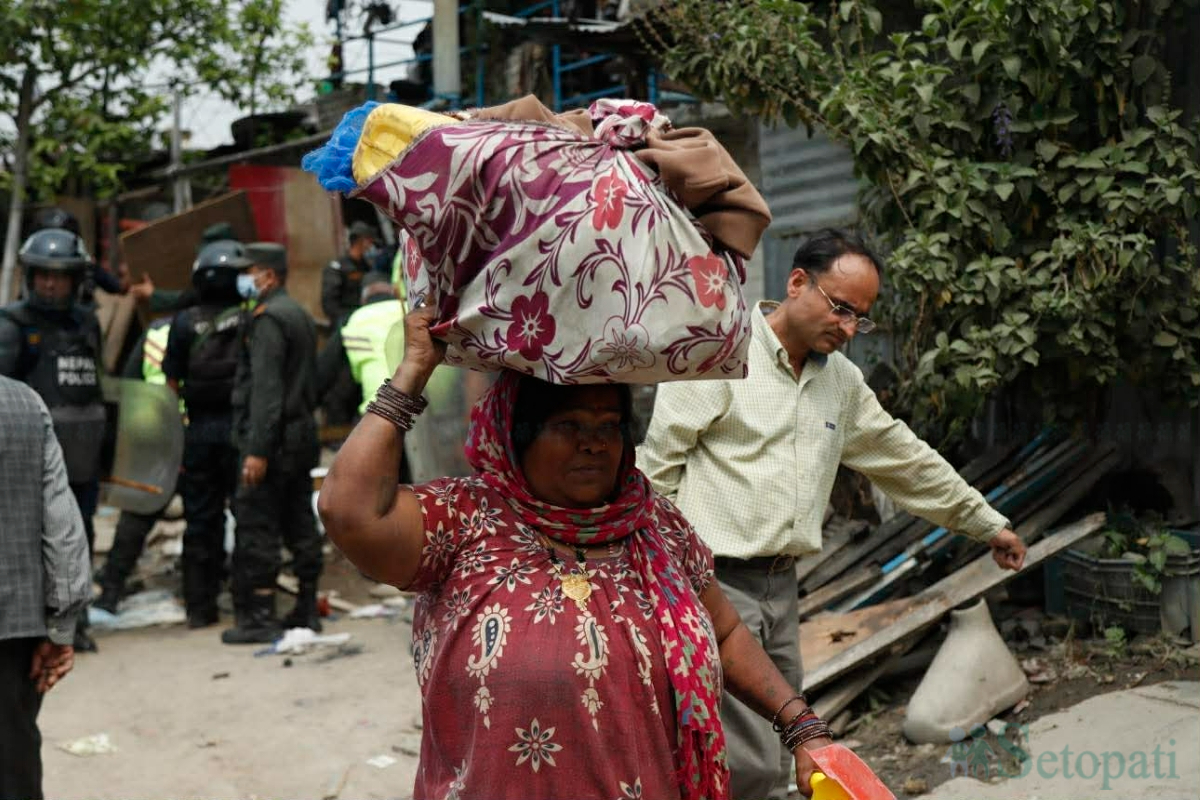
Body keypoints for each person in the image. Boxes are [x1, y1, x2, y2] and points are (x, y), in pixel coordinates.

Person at [316, 306, 847, 800]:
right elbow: (347, 510)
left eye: (607, 427)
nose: (593, 443)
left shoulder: (656, 528)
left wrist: (802, 728)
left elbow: (726, 631)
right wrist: (413, 371)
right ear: (517, 435)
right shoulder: (465, 518)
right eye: (569, 426)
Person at [637, 227, 1028, 800]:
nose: (848, 329)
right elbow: (658, 470)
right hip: (713, 583)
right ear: (797, 283)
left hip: (781, 586)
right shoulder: (721, 353)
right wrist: (663, 581)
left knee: (785, 731)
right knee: (747, 755)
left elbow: (903, 459)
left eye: (859, 319)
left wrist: (984, 521)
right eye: (841, 309)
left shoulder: (839, 383)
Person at [0, 228, 108, 654]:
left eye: (59, 276)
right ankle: (32, 627)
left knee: (78, 536)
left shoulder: (87, 323)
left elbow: (97, 386)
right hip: (31, 459)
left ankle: (74, 622)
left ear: (75, 279)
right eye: (42, 274)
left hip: (82, 454)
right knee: (30, 542)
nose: (49, 283)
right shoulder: (12, 326)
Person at [223, 242, 323, 644]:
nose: (244, 278)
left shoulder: (267, 320)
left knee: (257, 523)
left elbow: (266, 393)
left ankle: (261, 615)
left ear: (269, 275)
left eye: (250, 271)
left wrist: (257, 450)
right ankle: (308, 605)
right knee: (299, 518)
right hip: (301, 436)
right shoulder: (298, 313)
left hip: (274, 441)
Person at [0, 376, 92, 800]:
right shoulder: (23, 404)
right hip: (14, 627)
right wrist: (61, 624)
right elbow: (60, 520)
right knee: (12, 763)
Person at [162, 240, 250, 628]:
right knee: (246, 516)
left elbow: (171, 380)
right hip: (238, 430)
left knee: (201, 520)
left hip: (198, 431)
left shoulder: (182, 322)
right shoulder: (250, 318)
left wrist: (180, 427)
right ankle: (248, 608)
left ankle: (201, 608)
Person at [93, 313, 177, 614]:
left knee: (137, 516)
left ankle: (111, 591)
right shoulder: (232, 322)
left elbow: (129, 384)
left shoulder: (157, 331)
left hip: (157, 441)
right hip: (201, 440)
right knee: (208, 523)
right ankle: (201, 601)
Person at [319, 220, 381, 428]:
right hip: (346, 332)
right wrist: (351, 321)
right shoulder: (337, 268)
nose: (372, 246)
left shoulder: (369, 268)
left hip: (368, 330)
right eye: (370, 242)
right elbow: (329, 304)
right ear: (361, 242)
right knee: (342, 383)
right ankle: (338, 428)